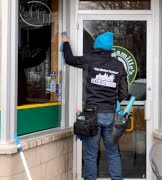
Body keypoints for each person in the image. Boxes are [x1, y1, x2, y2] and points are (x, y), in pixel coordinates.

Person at [62, 32, 128, 180]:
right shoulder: (118, 65)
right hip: (110, 115)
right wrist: (112, 101)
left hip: (92, 115)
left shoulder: (90, 60)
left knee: (91, 154)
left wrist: (65, 42)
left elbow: (69, 59)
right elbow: (124, 92)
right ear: (109, 48)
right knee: (113, 152)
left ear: (97, 46)